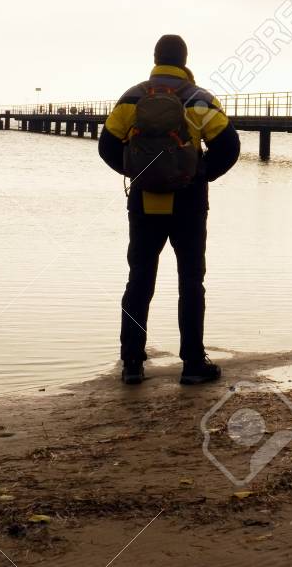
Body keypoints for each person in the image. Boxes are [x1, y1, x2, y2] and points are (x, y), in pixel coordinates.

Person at [98, 34, 240, 385]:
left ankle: (132, 362)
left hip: (145, 203)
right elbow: (229, 146)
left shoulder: (132, 97)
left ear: (156, 58)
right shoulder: (199, 99)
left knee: (139, 279)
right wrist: (201, 174)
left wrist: (139, 173)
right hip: (189, 204)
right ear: (185, 60)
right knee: (191, 281)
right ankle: (192, 363)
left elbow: (106, 146)